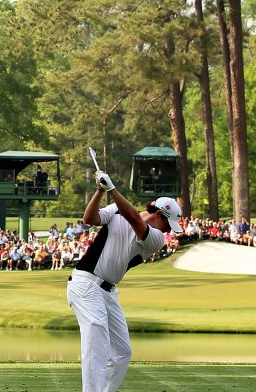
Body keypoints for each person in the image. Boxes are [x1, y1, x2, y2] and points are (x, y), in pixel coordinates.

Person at [66, 166, 181, 392]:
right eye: (168, 225)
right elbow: (89, 218)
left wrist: (113, 189)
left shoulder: (157, 239)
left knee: (122, 351)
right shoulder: (116, 210)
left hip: (107, 292)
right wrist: (100, 190)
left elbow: (135, 220)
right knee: (96, 338)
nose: (168, 231)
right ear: (159, 214)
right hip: (85, 283)